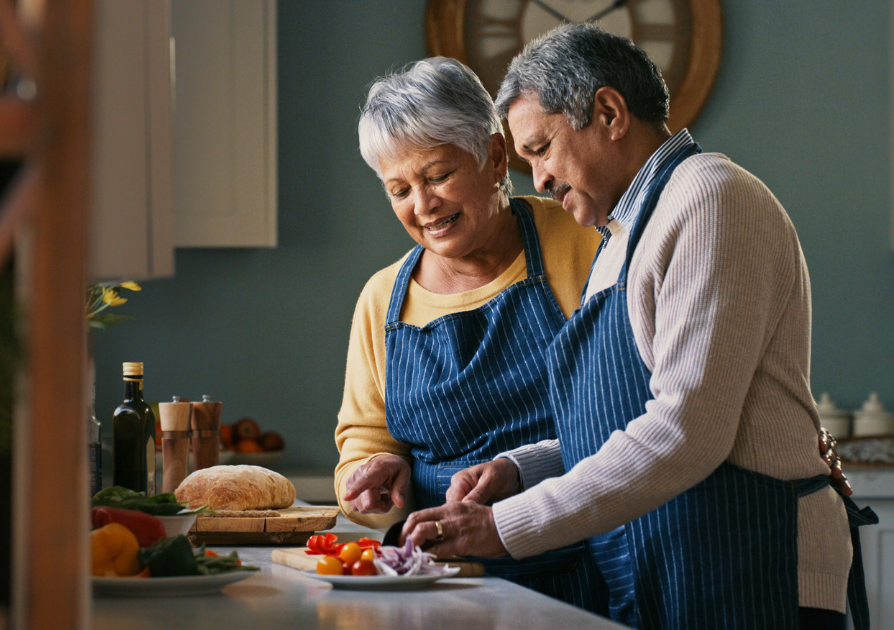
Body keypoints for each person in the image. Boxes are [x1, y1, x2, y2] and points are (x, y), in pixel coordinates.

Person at [401, 23, 875, 630]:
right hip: (670, 566)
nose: (539, 180)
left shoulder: (711, 200)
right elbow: (628, 417)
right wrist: (525, 468)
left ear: (608, 112)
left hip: (751, 569)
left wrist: (505, 527)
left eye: (541, 148)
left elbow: (686, 429)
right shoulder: (622, 236)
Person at [334, 57, 606, 611]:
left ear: (495, 155)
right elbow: (363, 441)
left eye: (437, 176)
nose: (423, 205)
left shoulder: (584, 242)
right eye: (399, 189)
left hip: (582, 570)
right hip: (437, 584)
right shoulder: (382, 298)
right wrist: (375, 478)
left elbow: (624, 417)